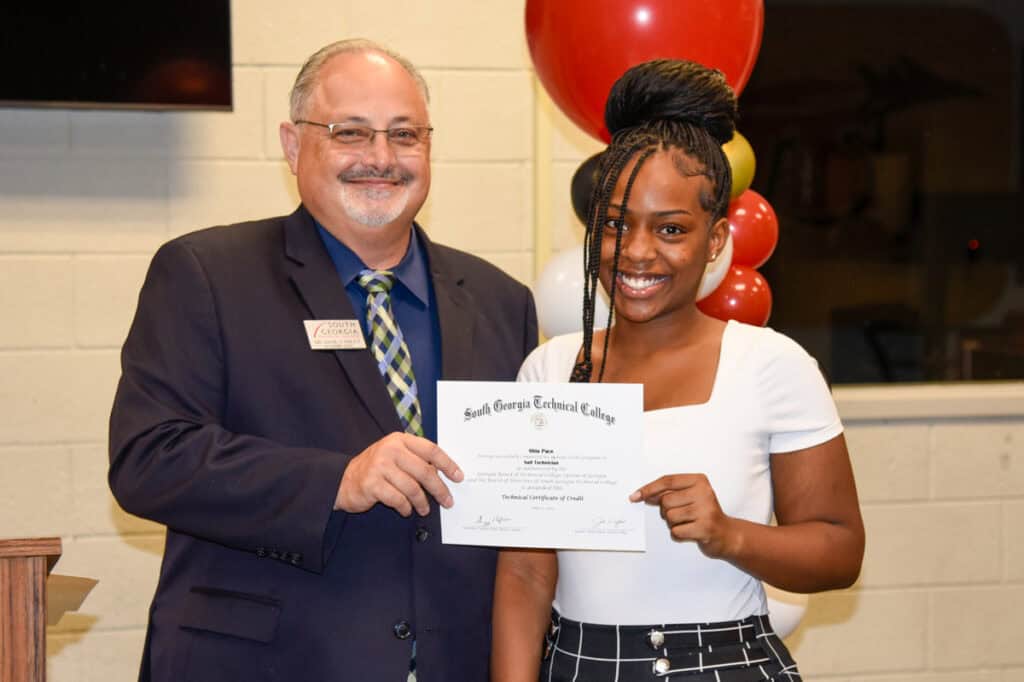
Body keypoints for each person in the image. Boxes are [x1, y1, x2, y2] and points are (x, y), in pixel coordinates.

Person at [109, 38, 537, 682]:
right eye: (350, 133)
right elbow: (149, 459)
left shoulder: (503, 302)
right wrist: (336, 480)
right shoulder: (206, 275)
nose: (381, 159)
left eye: (405, 135)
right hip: (266, 663)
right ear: (291, 144)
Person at [491, 60, 864, 682]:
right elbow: (527, 570)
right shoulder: (551, 369)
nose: (638, 252)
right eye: (616, 225)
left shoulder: (771, 364)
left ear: (716, 241)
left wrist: (727, 533)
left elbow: (839, 552)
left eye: (671, 229)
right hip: (578, 663)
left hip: (726, 662)